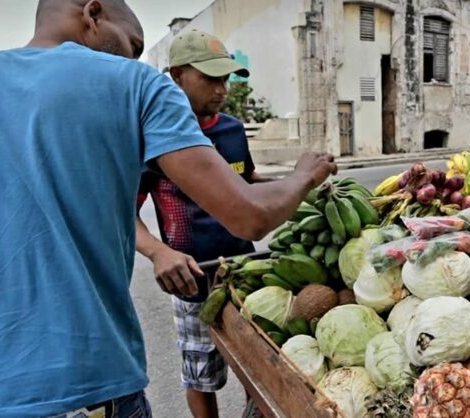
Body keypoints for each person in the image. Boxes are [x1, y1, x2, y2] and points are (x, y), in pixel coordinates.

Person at [0, 1, 336, 417]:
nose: (134, 57)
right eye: (132, 44)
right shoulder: (134, 85)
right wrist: (304, 175)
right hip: (90, 385)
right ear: (92, 13)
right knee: (200, 374)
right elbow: (250, 214)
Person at [135, 30, 270, 418]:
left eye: (226, 78)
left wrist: (297, 184)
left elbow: (248, 185)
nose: (222, 88)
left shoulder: (231, 129)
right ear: (177, 75)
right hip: (193, 281)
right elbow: (125, 213)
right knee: (200, 375)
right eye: (211, 78)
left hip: (245, 274)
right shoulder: (155, 139)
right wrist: (159, 251)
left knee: (259, 366)